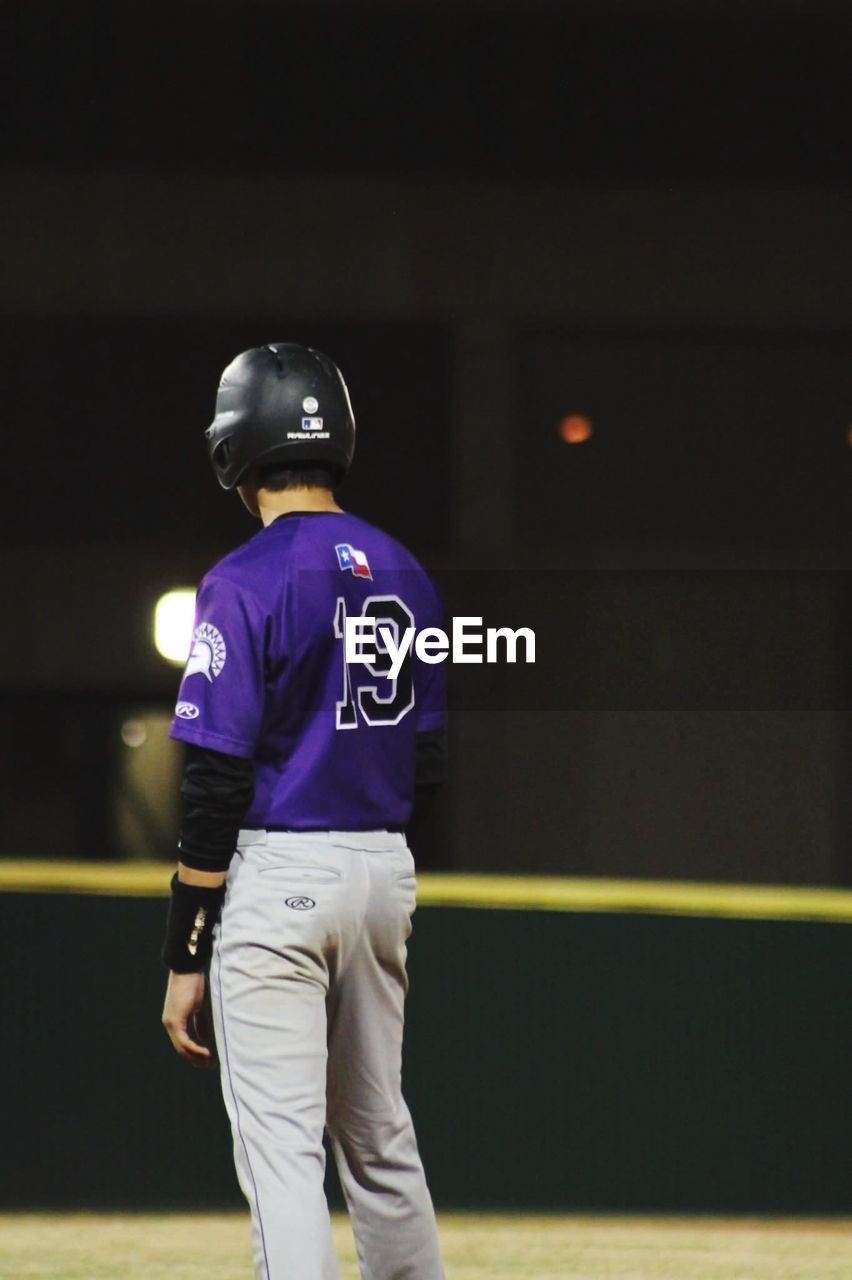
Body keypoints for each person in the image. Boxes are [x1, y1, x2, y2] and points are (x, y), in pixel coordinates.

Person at [160, 342, 448, 1280]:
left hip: (281, 872)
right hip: (381, 867)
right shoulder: (406, 571)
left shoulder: (244, 578)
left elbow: (212, 782)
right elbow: (429, 756)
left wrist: (185, 948)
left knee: (283, 1151)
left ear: (236, 449)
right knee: (378, 1136)